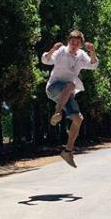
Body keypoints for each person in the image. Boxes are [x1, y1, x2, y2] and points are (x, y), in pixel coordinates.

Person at [41, 30, 98, 168]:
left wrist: (92, 52)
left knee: (78, 119)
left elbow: (93, 65)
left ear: (81, 45)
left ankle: (67, 151)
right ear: (68, 42)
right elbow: (45, 60)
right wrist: (52, 49)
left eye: (77, 43)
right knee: (71, 85)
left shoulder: (81, 55)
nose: (74, 45)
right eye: (72, 42)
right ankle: (57, 113)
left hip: (66, 94)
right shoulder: (61, 51)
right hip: (53, 88)